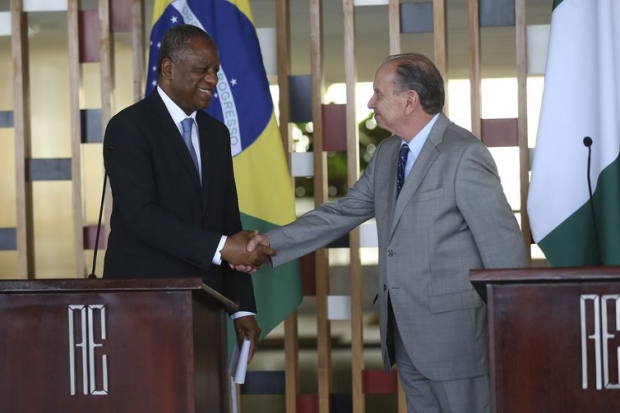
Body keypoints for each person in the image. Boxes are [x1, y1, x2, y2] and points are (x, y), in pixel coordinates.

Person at [246, 53, 528, 412]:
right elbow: (343, 212)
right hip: (404, 337)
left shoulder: (464, 154)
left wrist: (515, 335)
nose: (370, 102)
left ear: (409, 99)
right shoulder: (387, 153)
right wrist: (271, 242)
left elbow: (502, 250)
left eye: (378, 93)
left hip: (459, 341)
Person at [102, 24, 273, 360]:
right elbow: (141, 217)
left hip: (203, 304)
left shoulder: (216, 134)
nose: (212, 80)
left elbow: (227, 218)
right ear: (168, 68)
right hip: (143, 301)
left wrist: (241, 309)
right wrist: (223, 248)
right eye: (201, 69)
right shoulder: (128, 127)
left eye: (215, 71)